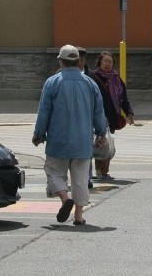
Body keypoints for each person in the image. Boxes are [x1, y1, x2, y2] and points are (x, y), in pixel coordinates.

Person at [32, 44, 107, 226]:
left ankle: (65, 199)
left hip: (59, 140)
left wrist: (39, 133)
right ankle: (79, 216)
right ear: (77, 61)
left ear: (61, 61)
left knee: (54, 172)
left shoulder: (52, 82)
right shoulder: (90, 83)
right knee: (81, 179)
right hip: (82, 141)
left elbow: (44, 111)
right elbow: (99, 111)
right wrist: (101, 132)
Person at [89, 50, 135, 181]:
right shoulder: (93, 77)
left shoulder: (116, 78)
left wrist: (129, 113)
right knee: (100, 142)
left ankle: (105, 171)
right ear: (99, 62)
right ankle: (99, 171)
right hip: (98, 116)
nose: (107, 64)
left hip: (112, 116)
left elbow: (123, 98)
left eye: (110, 62)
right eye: (105, 61)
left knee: (108, 143)